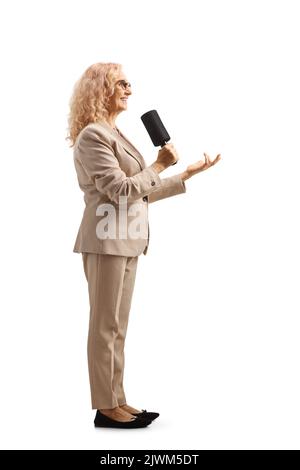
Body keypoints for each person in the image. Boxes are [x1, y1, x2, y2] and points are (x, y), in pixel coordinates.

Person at [66, 62, 221, 429]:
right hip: (105, 241)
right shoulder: (93, 137)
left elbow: (139, 193)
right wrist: (159, 164)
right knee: (104, 326)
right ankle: (106, 407)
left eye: (129, 83)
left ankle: (117, 399)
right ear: (100, 89)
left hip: (129, 240)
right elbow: (120, 192)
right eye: (121, 83)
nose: (129, 89)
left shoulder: (115, 133)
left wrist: (184, 174)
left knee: (117, 326)